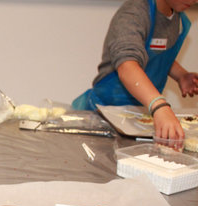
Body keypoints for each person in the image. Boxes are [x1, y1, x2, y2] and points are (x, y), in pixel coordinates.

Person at [72, 0, 198, 140]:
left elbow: (157, 54)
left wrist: (181, 75)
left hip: (142, 115)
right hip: (105, 114)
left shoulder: (178, 21)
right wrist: (159, 105)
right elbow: (127, 65)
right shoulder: (134, 13)